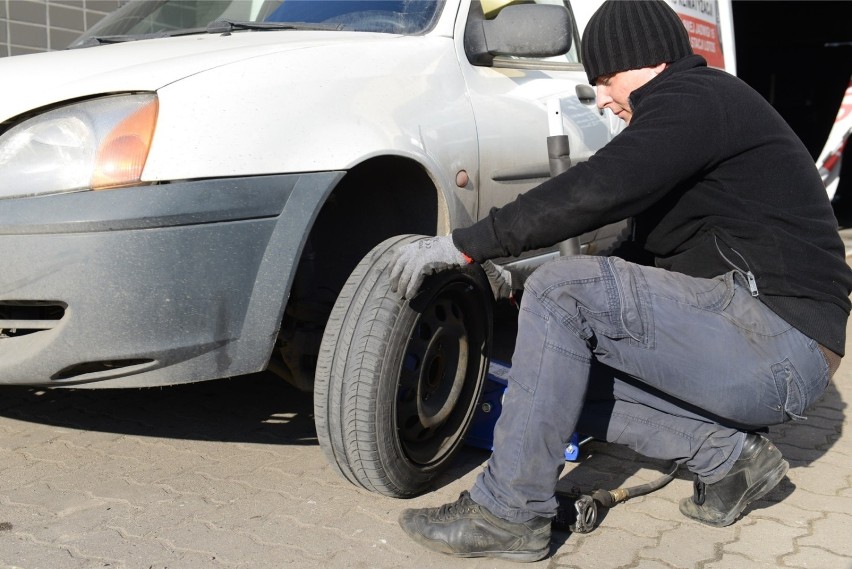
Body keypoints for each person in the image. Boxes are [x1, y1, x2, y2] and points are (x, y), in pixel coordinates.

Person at [386, 0, 852, 563]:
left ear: (649, 61)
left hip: (782, 339)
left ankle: (507, 513)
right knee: (552, 368)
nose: (602, 98)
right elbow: (633, 255)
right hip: (770, 350)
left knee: (563, 291)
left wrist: (468, 243)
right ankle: (730, 460)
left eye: (605, 78)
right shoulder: (692, 124)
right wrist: (513, 283)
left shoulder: (699, 99)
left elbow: (596, 188)